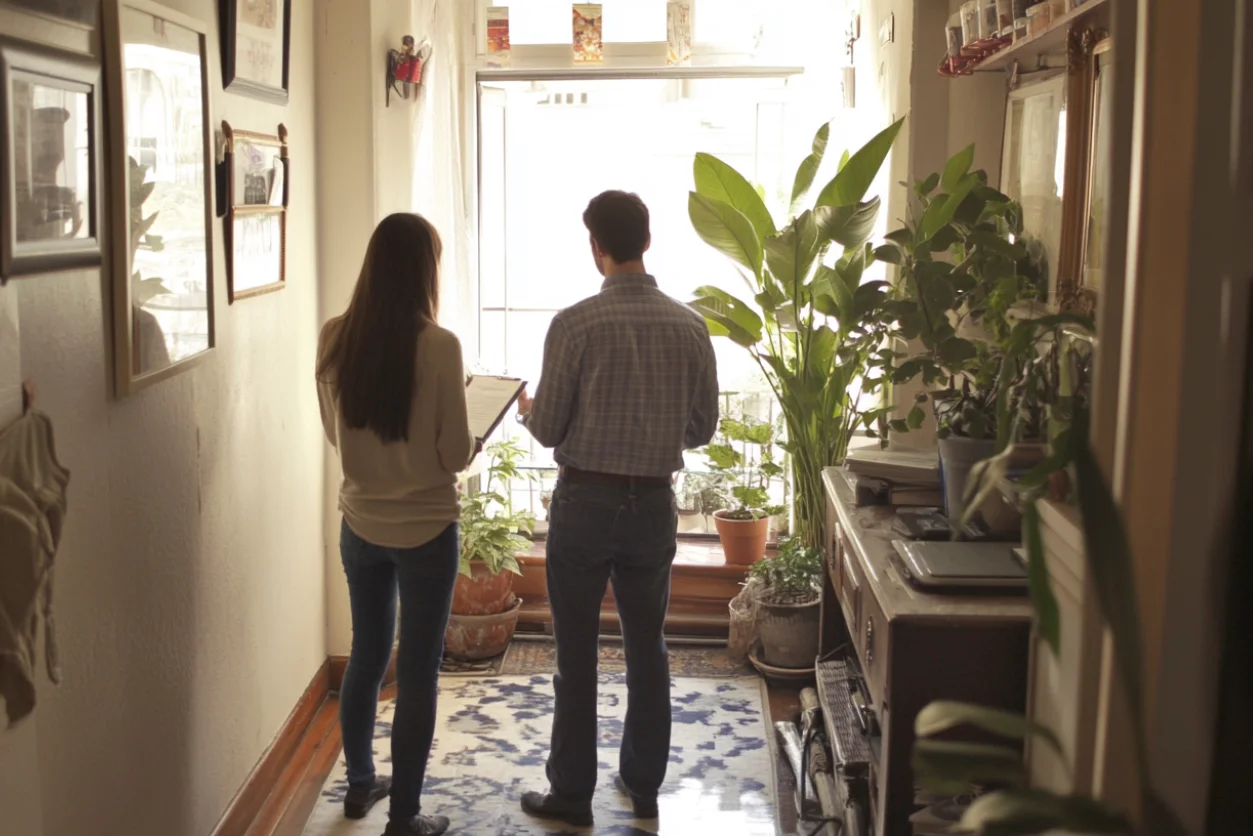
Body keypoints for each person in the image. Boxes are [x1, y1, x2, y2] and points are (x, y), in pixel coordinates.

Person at [515, 190, 720, 826]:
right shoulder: (690, 326)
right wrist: (653, 431)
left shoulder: (573, 324)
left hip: (583, 502)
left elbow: (548, 429)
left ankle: (572, 796)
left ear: (595, 247)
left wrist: (525, 410)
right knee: (647, 648)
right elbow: (703, 427)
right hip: (653, 505)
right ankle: (644, 784)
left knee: (574, 656)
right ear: (648, 242)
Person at [316, 213, 476, 836]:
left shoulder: (333, 337)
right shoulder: (440, 345)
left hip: (361, 523)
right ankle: (404, 817)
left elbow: (334, 434)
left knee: (365, 656)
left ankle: (360, 785)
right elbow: (455, 455)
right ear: (423, 271)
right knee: (417, 675)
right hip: (428, 530)